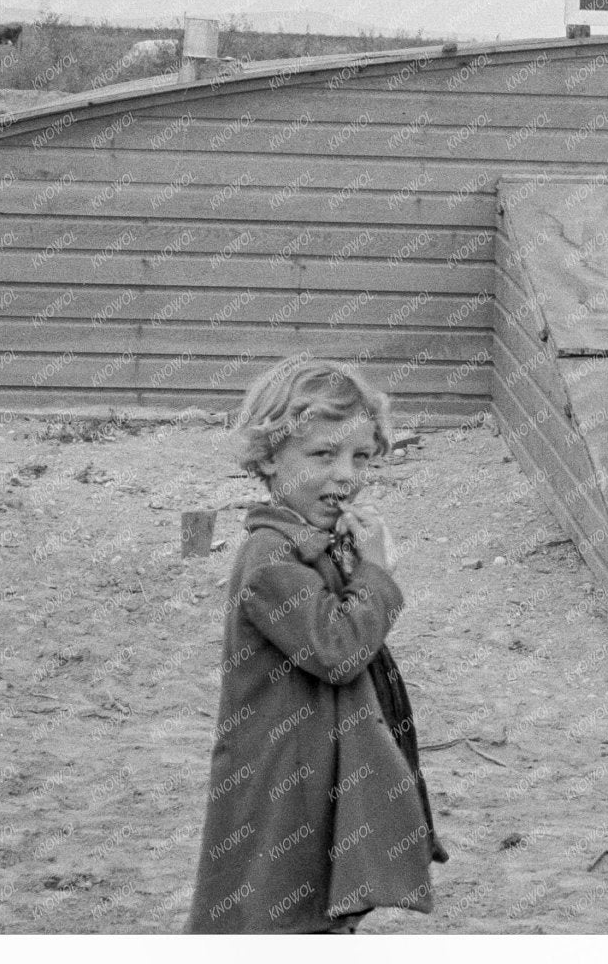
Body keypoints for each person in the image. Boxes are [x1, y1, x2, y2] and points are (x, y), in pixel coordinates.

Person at [187, 358, 446, 933]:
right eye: (322, 455)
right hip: (283, 791)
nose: (345, 475)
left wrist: (358, 567)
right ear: (269, 458)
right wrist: (377, 574)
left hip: (322, 779)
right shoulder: (270, 558)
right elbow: (338, 649)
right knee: (275, 915)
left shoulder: (317, 544)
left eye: (361, 457)